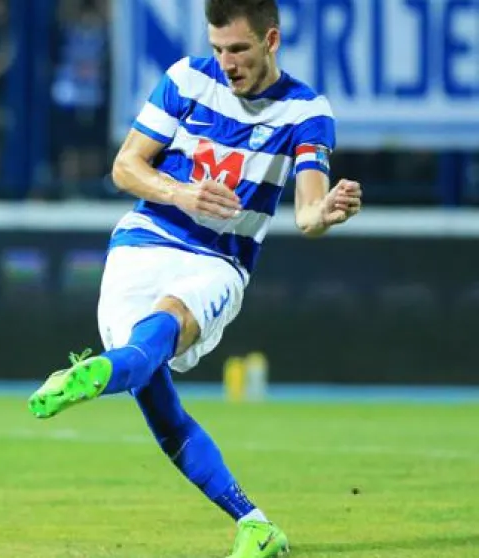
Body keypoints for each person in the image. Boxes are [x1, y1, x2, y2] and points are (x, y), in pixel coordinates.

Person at [26, 1, 362, 557]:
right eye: (219, 50)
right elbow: (125, 166)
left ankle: (91, 374)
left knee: (163, 328)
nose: (227, 63)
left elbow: (305, 213)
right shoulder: (186, 79)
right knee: (159, 403)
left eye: (239, 50)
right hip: (145, 240)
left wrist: (325, 214)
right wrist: (182, 192)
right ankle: (255, 524)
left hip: (218, 260)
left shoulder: (305, 111)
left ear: (271, 39)